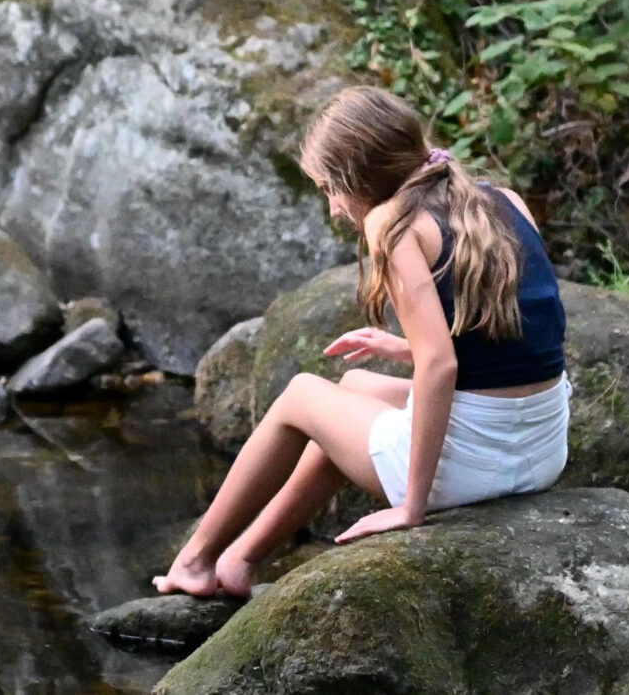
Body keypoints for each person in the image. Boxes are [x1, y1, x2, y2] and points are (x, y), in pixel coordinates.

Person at [154, 85, 569, 597]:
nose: (333, 208)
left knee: (303, 395)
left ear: (360, 177)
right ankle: (241, 557)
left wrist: (410, 506)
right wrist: (403, 348)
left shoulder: (391, 224)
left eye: (331, 188)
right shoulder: (501, 201)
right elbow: (532, 329)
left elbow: (440, 366)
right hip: (542, 450)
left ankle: (195, 558)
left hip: (476, 465)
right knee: (353, 385)